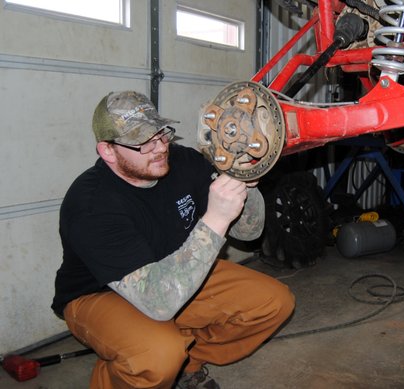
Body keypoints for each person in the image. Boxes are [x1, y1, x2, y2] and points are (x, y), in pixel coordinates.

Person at [51, 91, 295, 389]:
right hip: (100, 293)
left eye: (162, 133)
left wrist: (243, 177)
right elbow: (160, 303)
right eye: (143, 141)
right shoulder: (91, 204)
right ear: (108, 151)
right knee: (156, 355)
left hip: (175, 270)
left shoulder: (183, 161)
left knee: (273, 302)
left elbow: (249, 232)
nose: (160, 147)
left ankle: (186, 368)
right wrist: (216, 219)